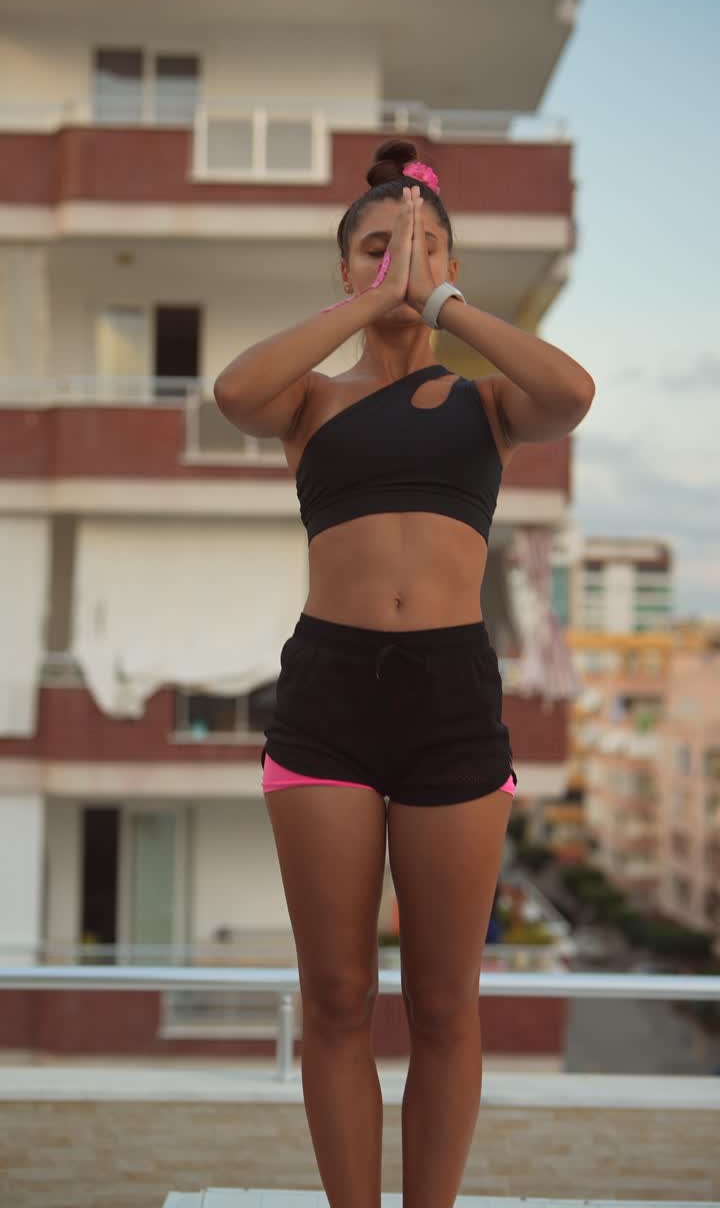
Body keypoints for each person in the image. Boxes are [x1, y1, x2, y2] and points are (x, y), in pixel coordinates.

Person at [214, 138, 595, 1208]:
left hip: (449, 700)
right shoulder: (311, 406)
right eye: (373, 250)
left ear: (451, 263)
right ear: (343, 269)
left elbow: (571, 391)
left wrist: (444, 305)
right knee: (336, 998)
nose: (396, 264)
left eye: (419, 248)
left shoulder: (483, 407)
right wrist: (374, 301)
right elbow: (233, 389)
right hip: (327, 698)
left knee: (443, 1004)